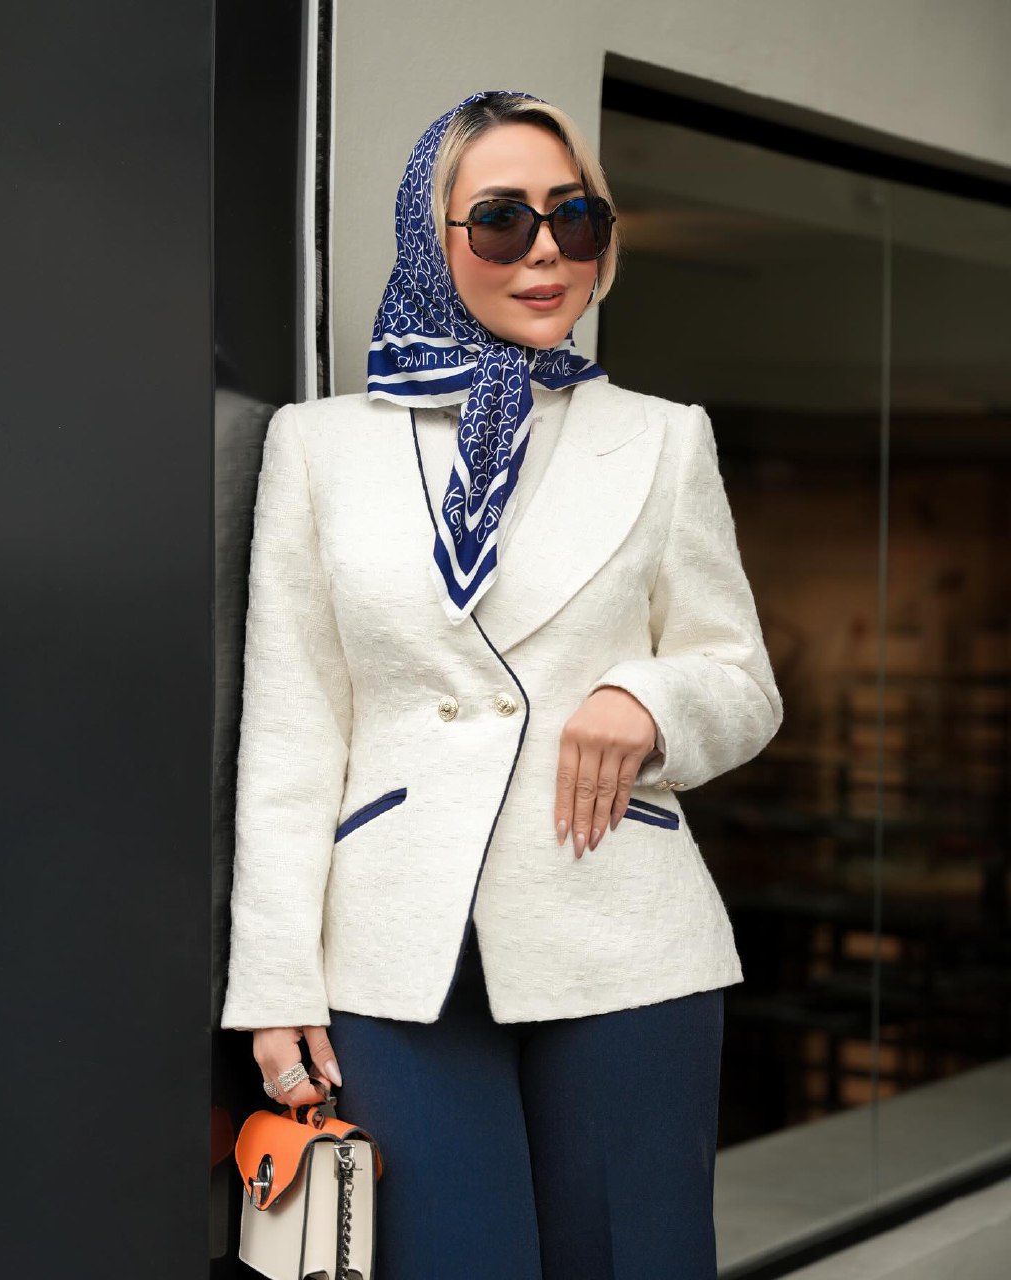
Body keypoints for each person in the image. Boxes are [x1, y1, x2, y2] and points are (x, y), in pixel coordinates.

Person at [222, 89, 783, 1279]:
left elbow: (741, 679)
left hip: (623, 936)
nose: (545, 252)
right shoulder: (319, 446)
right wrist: (274, 980)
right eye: (502, 220)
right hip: (392, 953)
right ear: (431, 236)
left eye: (575, 220)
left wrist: (648, 700)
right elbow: (292, 732)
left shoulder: (663, 436)